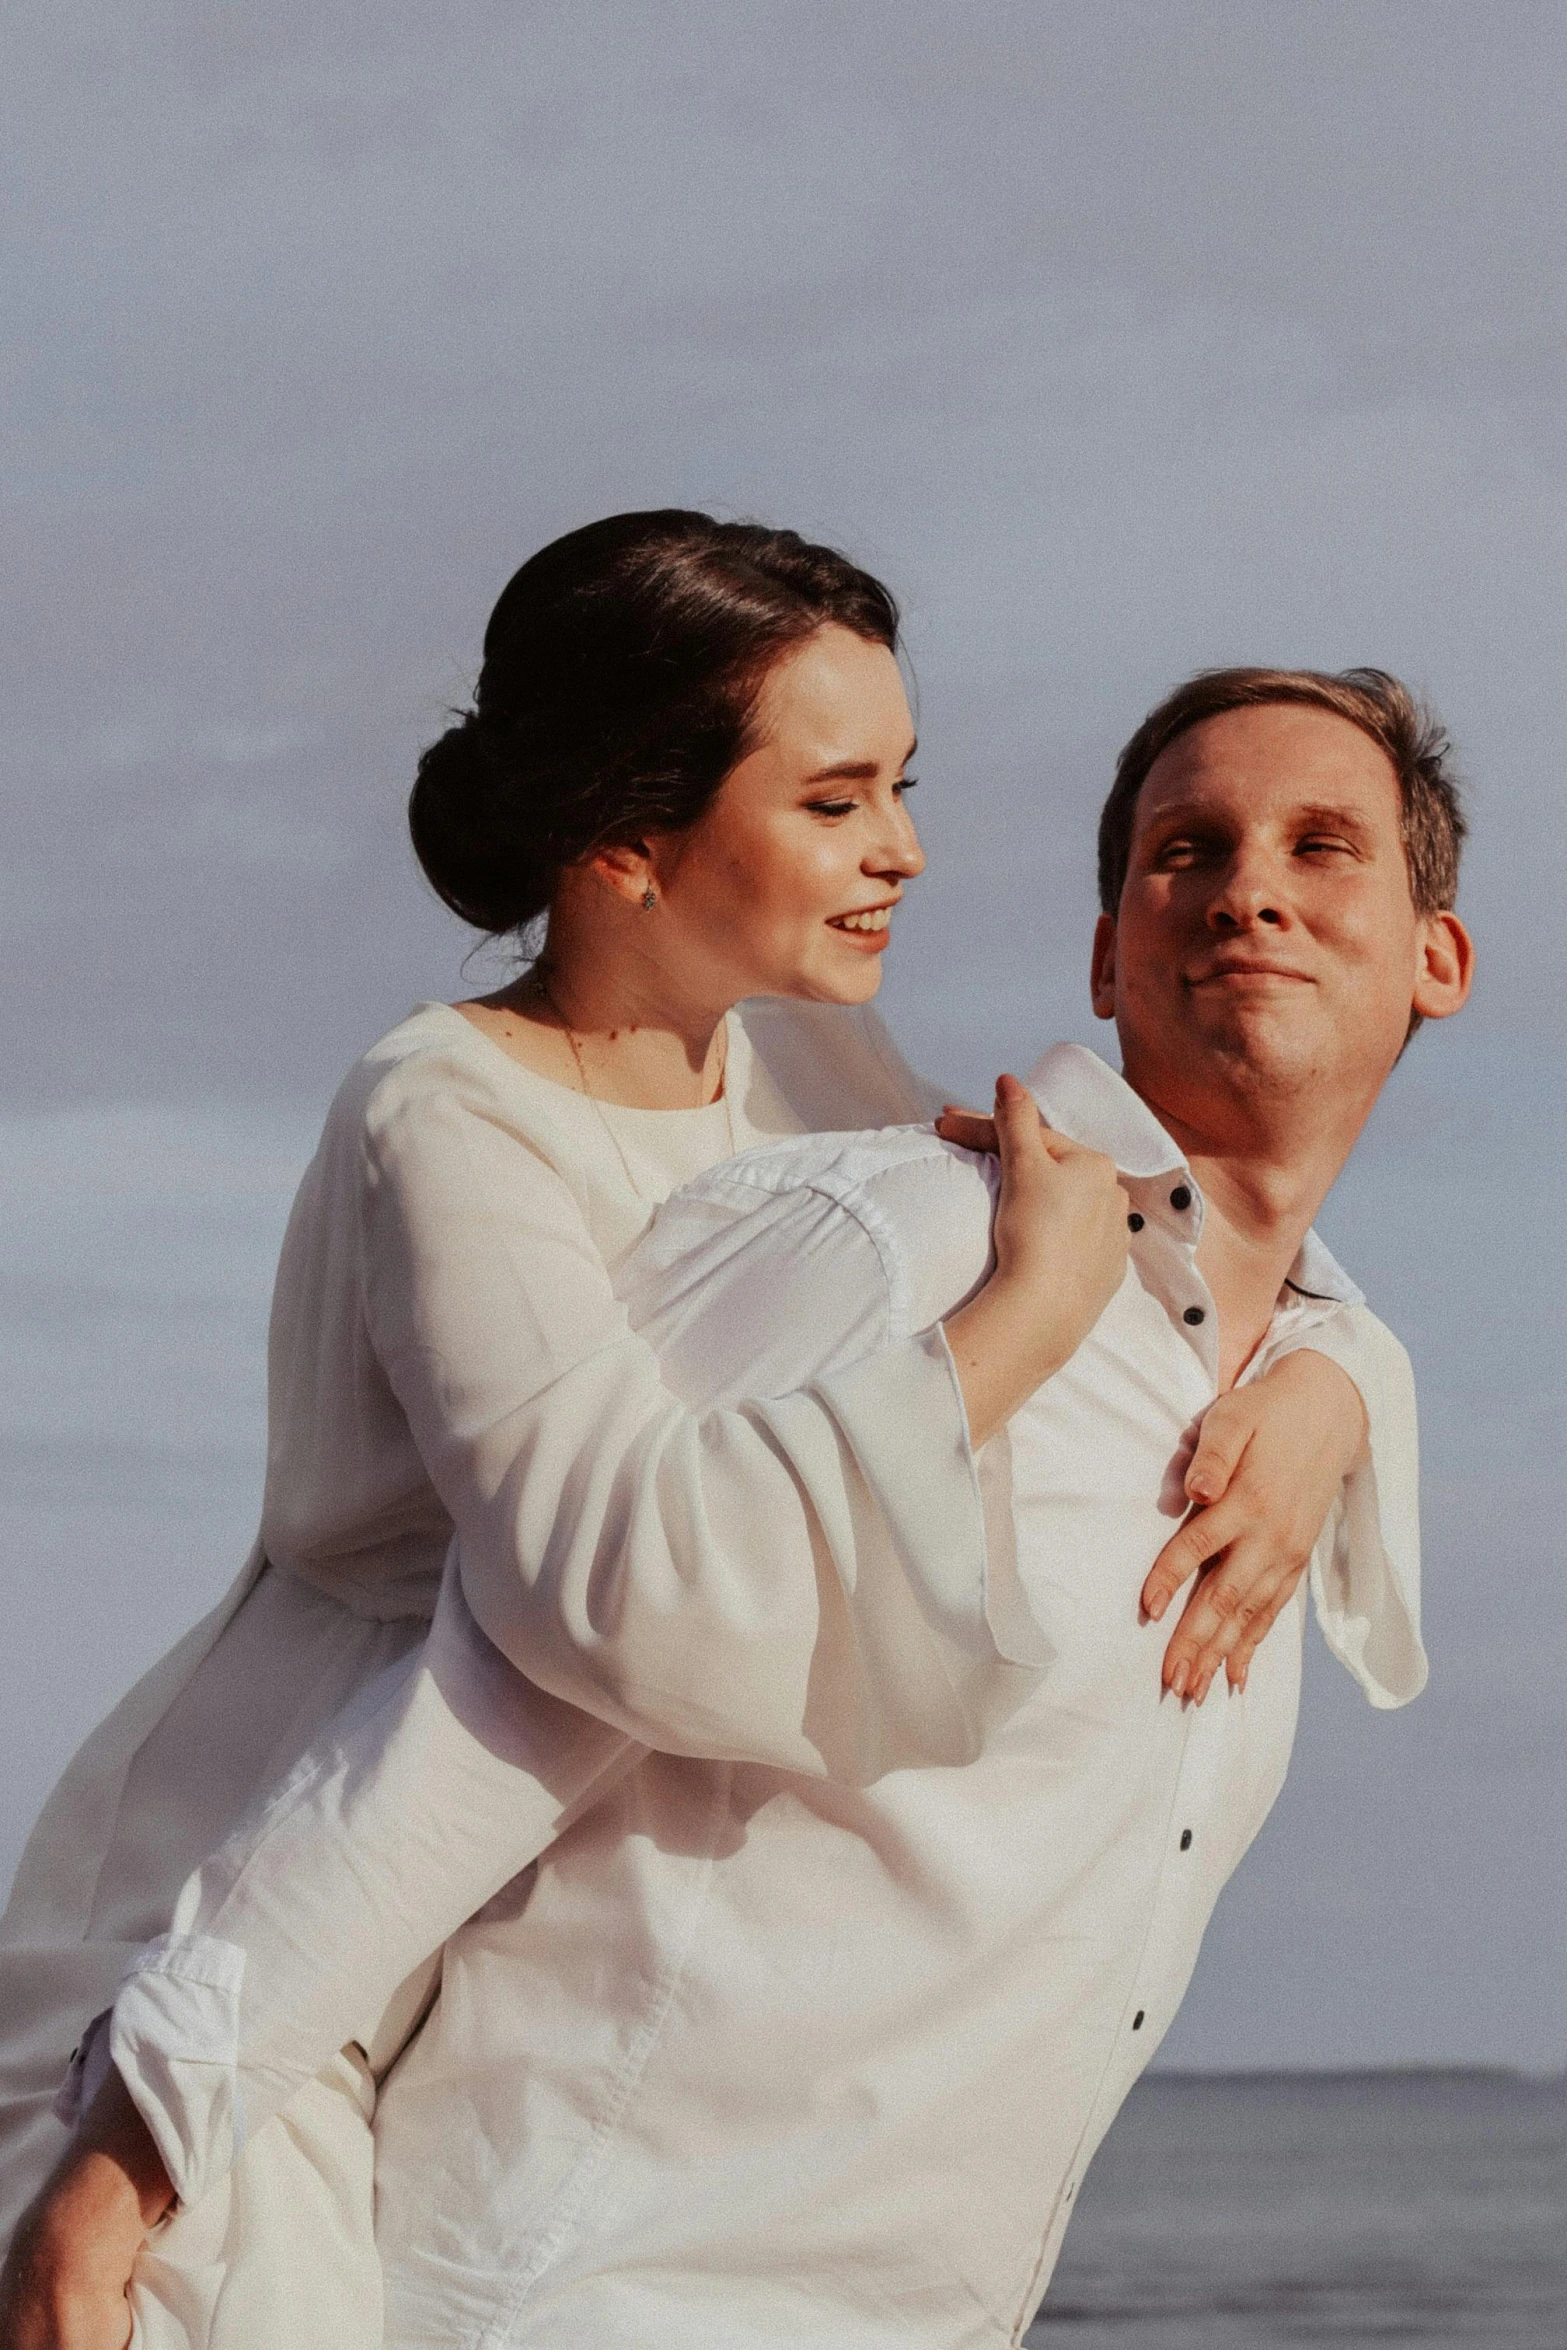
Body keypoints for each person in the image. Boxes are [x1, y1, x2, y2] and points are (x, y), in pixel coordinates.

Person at [1, 661, 1460, 2349]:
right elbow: (498, 1698)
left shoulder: (1286, 1392)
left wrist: (1351, 1367)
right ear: (1102, 951)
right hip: (568, 2292)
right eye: (1183, 849)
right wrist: (136, 2151)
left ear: (1438, 957)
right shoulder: (903, 1239)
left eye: (1321, 844)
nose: (1248, 888)